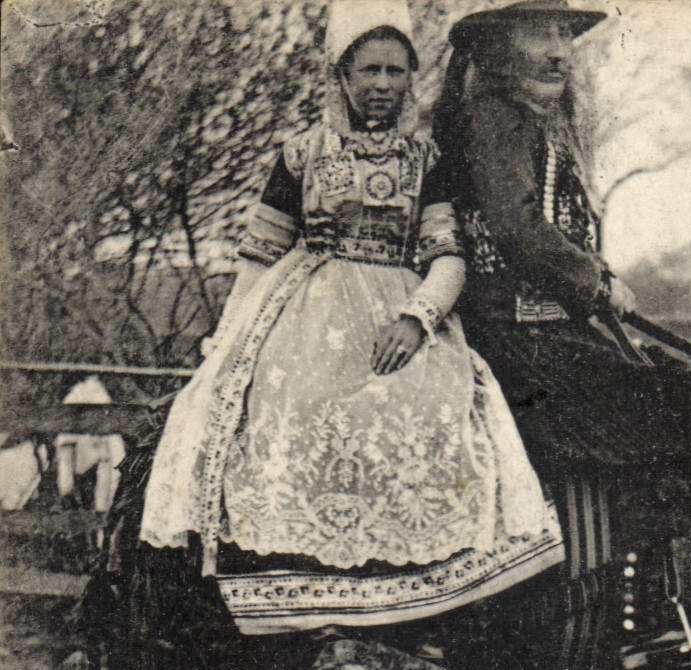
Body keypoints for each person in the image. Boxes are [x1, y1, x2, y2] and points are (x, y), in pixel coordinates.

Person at [140, 0, 562, 635]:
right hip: (305, 308)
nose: (383, 86)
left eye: (396, 71)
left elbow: (448, 260)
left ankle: (414, 587)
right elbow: (259, 257)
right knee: (291, 402)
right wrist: (227, 346)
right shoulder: (301, 155)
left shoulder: (427, 160)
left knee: (436, 403)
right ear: (341, 76)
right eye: (369, 70)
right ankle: (288, 568)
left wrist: (417, 318)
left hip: (402, 306)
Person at [434, 0, 691, 664]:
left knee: (680, 391)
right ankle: (633, 618)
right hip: (510, 334)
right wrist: (594, 284)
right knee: (655, 409)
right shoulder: (494, 118)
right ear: (496, 49)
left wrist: (596, 284)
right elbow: (514, 228)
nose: (558, 51)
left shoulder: (540, 126)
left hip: (551, 332)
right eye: (538, 33)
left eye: (565, 36)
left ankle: (661, 597)